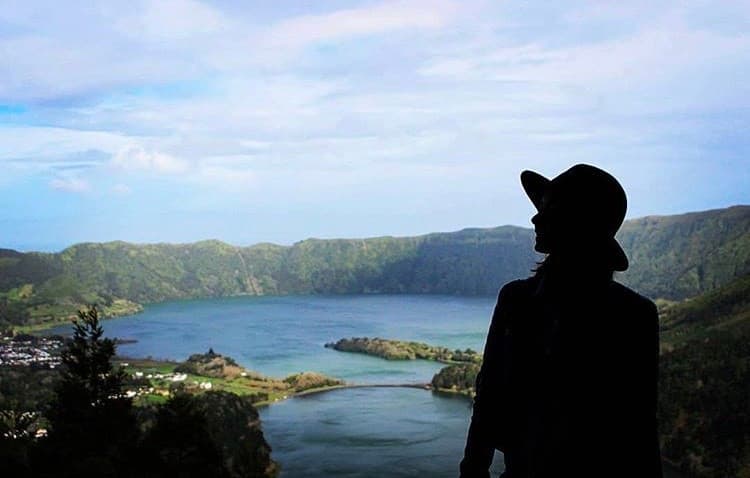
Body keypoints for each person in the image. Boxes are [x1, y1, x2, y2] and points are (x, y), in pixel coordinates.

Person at [459, 164, 662, 478]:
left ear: (578, 221)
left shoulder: (633, 315)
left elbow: (639, 425)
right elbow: (489, 395)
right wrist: (473, 470)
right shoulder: (633, 313)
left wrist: (473, 469)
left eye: (550, 209)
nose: (535, 218)